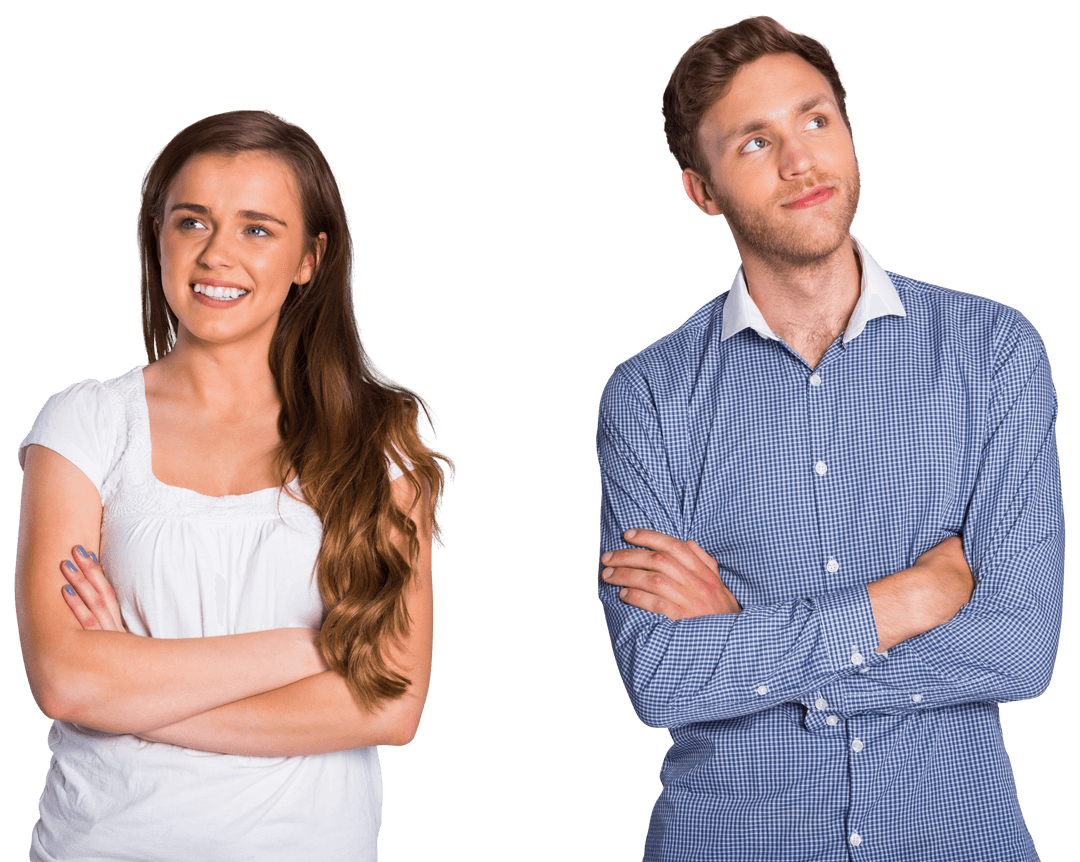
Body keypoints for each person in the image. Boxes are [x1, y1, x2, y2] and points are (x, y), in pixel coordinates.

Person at [596, 16, 1063, 862]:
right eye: (753, 142)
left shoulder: (993, 352)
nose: (799, 160)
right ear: (702, 191)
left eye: (816, 121)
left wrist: (747, 636)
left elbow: (1019, 651)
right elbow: (662, 679)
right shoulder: (650, 398)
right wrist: (906, 602)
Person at [14, 109, 451, 862]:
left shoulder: (378, 444)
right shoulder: (84, 423)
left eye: (257, 229)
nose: (217, 255)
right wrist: (308, 649)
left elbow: (390, 704)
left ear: (309, 259)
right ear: (158, 238)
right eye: (192, 222)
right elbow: (64, 680)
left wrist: (132, 691)